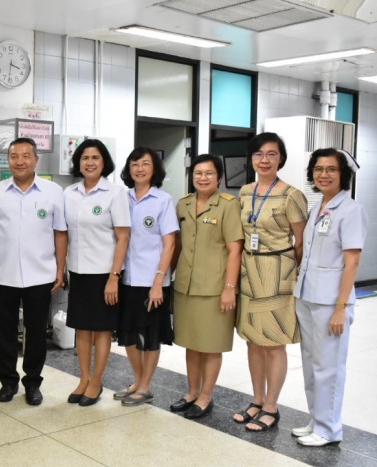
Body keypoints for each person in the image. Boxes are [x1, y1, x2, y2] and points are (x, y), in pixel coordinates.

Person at [0, 137, 67, 406]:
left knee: (36, 333)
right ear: (8, 160)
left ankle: (33, 383)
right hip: (3, 274)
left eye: (26, 156)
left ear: (36, 160)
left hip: (40, 275)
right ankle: (8, 382)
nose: (19, 161)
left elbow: (60, 233)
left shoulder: (53, 192)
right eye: (14, 156)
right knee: (5, 332)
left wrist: (60, 269)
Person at [292, 148, 367, 446]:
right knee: (311, 364)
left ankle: (329, 428)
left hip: (330, 302)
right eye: (319, 169)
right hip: (308, 296)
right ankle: (317, 420)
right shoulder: (319, 207)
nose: (324, 174)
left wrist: (340, 308)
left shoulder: (351, 211)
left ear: (343, 175)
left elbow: (352, 262)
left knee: (329, 367)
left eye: (331, 169)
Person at [234, 132, 308, 432]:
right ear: (251, 158)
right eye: (259, 154)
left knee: (274, 343)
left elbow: (302, 242)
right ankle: (256, 399)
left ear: (281, 158)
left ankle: (272, 406)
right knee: (253, 340)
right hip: (249, 270)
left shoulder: (291, 195)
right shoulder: (245, 191)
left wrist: (291, 273)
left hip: (278, 272)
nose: (264, 160)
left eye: (272, 154)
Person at [171, 154, 243, 419]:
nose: (203, 178)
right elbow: (177, 245)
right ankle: (191, 392)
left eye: (209, 173)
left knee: (211, 345)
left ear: (219, 178)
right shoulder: (183, 204)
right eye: (198, 173)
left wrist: (229, 287)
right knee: (192, 343)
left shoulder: (228, 205)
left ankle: (205, 396)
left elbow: (235, 250)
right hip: (186, 286)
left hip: (214, 287)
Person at [63, 139, 130, 406]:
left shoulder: (115, 193)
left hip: (104, 273)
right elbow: (63, 233)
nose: (89, 162)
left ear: (104, 163)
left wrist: (114, 277)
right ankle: (83, 378)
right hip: (78, 270)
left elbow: (123, 237)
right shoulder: (69, 193)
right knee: (81, 329)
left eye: (95, 158)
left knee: (102, 330)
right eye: (85, 158)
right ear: (78, 163)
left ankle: (97, 381)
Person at [114, 147, 178, 407]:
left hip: (153, 281)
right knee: (127, 334)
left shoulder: (162, 200)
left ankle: (146, 385)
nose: (139, 168)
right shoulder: (121, 198)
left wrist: (158, 283)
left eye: (145, 164)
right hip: (127, 279)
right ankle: (138, 381)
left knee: (150, 335)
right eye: (134, 164)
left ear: (155, 169)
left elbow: (170, 243)